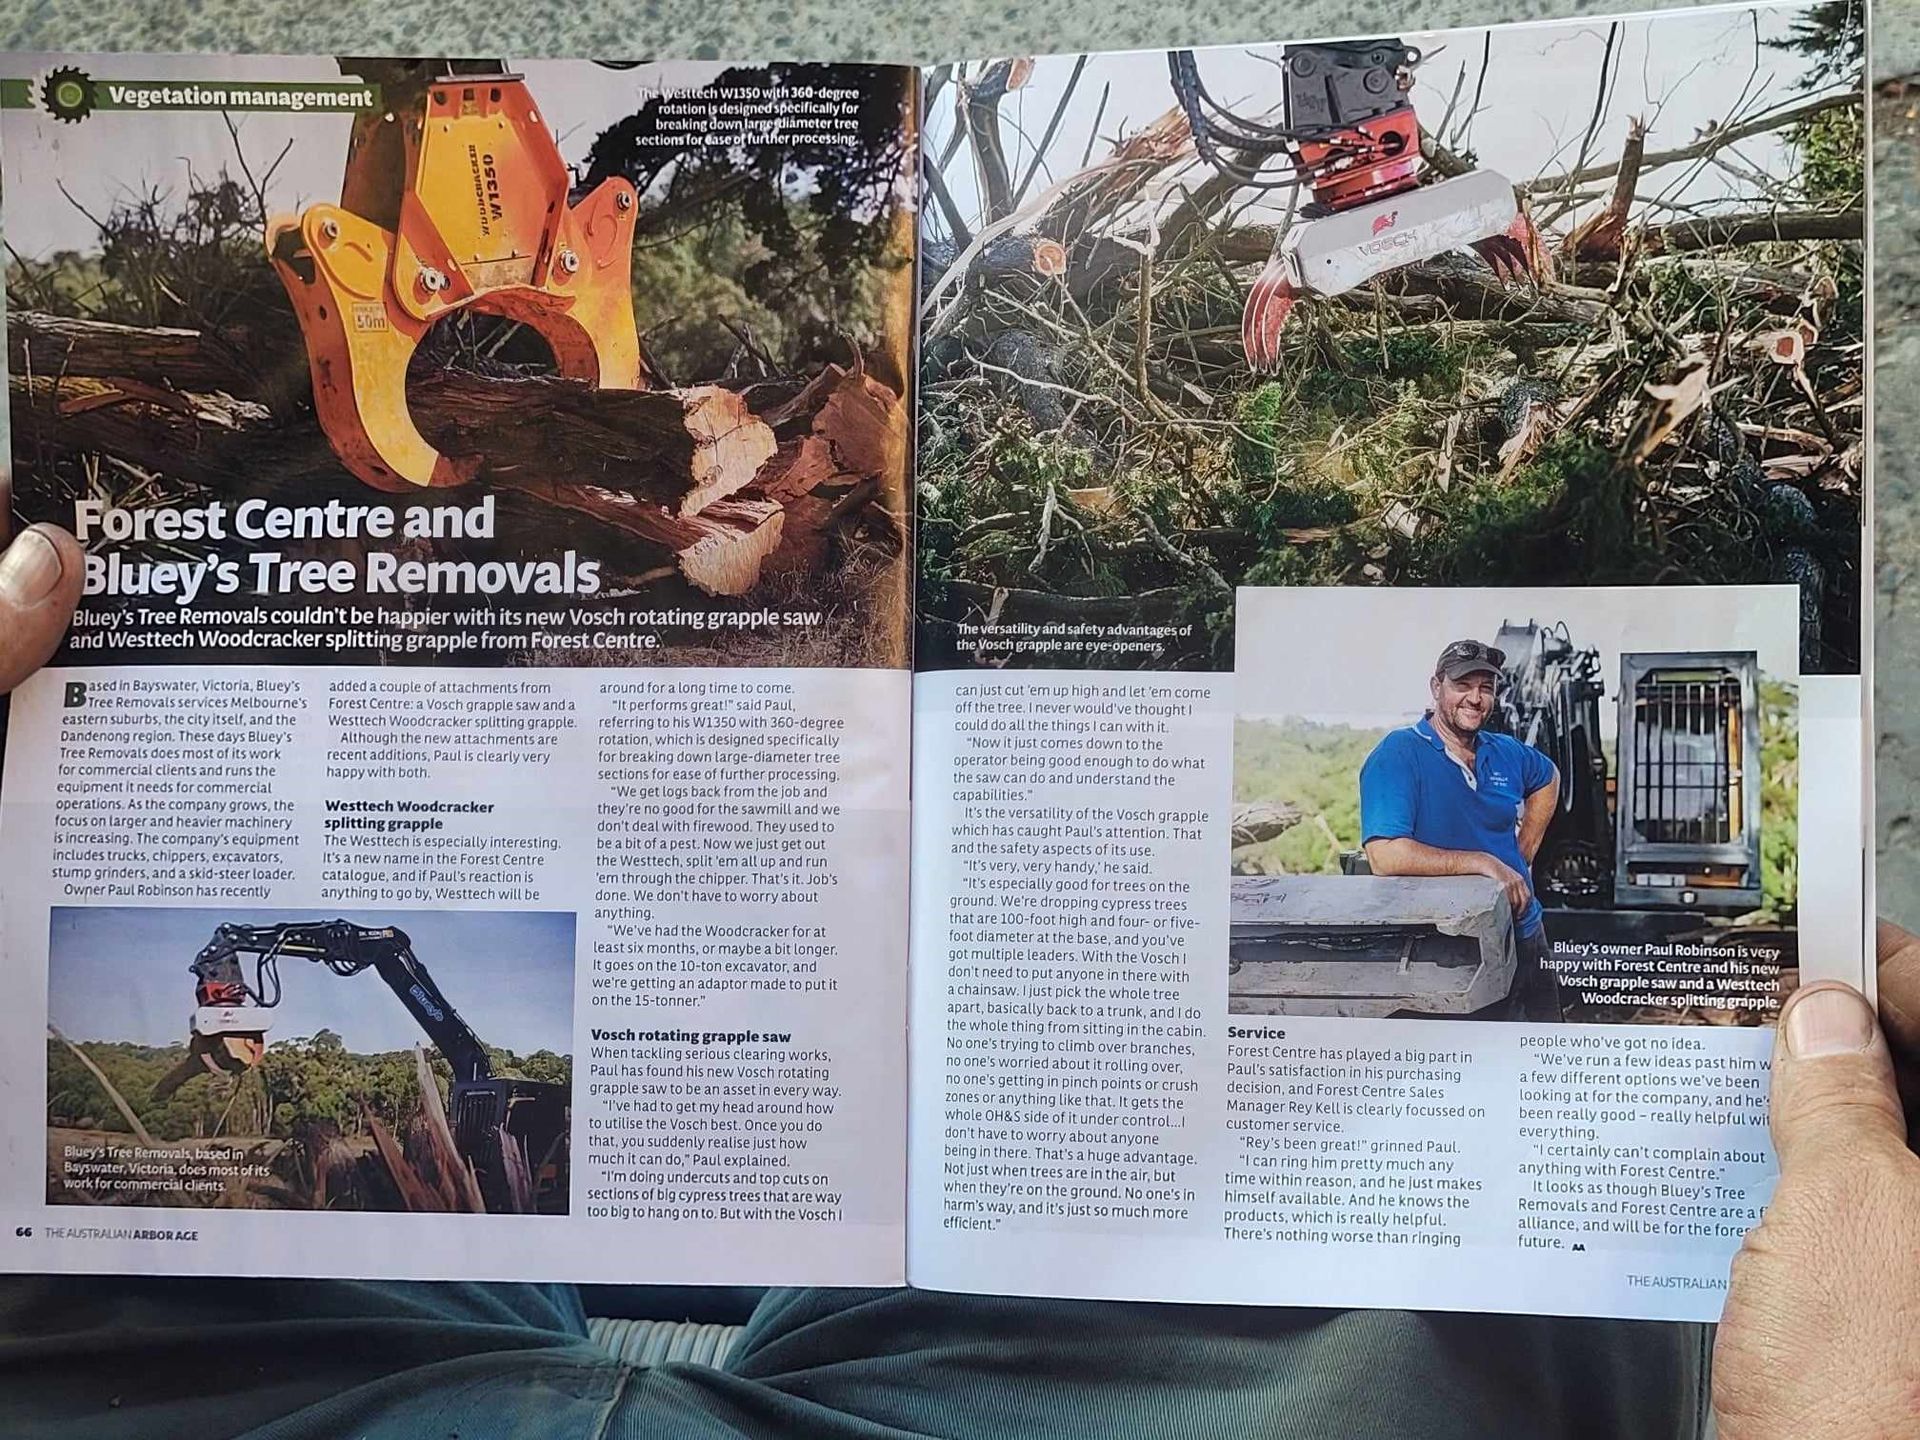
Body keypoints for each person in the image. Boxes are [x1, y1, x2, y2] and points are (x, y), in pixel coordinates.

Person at [0, 523, 1912, 1437]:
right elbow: (1410, 847)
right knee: (1614, 1272)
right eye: (1474, 686)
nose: (1486, 705)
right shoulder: (1432, 760)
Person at [1359, 637, 1563, 1020]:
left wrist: (1524, 851)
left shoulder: (1505, 751)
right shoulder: (1400, 754)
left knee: (1541, 1059)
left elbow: (1548, 777)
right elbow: (1384, 855)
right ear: (1437, 687)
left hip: (1525, 934)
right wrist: (1485, 862)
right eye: (1463, 686)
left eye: (1486, 688)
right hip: (1451, 951)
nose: (1476, 698)